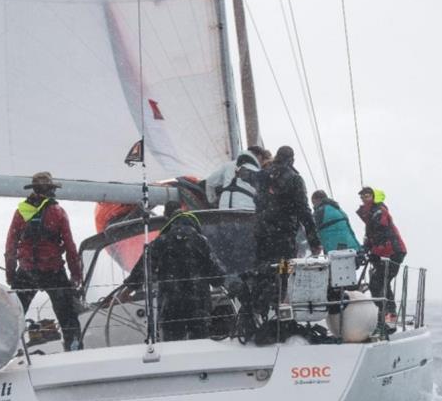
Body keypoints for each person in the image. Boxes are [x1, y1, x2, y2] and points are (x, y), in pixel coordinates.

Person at [120, 202, 226, 341]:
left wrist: (129, 289)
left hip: (170, 307)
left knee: (172, 350)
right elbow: (218, 278)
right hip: (198, 308)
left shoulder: (160, 241)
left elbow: (143, 268)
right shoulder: (201, 241)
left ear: (168, 220)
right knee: (200, 349)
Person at [5, 172, 83, 351]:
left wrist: (10, 275)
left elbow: (10, 247)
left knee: (13, 317)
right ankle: (74, 349)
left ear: (33, 190)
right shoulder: (58, 213)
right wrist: (76, 275)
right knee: (68, 318)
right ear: (51, 191)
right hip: (53, 272)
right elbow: (70, 248)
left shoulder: (20, 213)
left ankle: (5, 351)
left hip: (26, 272)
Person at [250, 146, 322, 318]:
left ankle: (259, 311)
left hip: (262, 233)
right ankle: (280, 309)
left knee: (263, 270)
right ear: (292, 160)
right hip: (283, 235)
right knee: (283, 269)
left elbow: (257, 198)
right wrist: (314, 241)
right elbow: (304, 211)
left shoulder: (262, 175)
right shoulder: (294, 179)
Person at [356, 186, 407, 330]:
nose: (364, 199)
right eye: (362, 197)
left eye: (367, 196)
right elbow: (372, 237)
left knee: (377, 282)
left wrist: (374, 251)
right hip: (386, 253)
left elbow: (382, 235)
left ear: (373, 197)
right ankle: (388, 312)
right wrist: (365, 248)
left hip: (394, 252)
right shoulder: (371, 215)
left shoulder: (379, 212)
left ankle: (383, 313)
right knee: (382, 281)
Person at [205, 145, 270, 209]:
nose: (262, 163)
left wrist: (212, 201)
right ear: (259, 156)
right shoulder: (257, 171)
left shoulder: (227, 166)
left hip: (224, 208)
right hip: (246, 209)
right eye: (263, 159)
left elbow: (209, 182)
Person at [311, 190, 361, 254]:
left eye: (313, 202)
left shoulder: (319, 212)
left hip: (335, 249)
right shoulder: (338, 209)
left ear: (316, 200)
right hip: (352, 246)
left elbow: (313, 229)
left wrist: (314, 245)